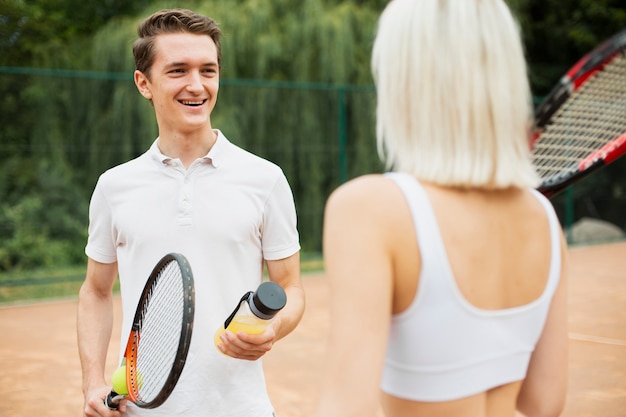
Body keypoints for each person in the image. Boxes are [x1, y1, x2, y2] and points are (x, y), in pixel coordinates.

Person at [314, 1, 568, 417]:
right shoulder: (543, 218)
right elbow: (544, 402)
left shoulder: (370, 209)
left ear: (403, 76)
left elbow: (346, 407)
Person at [77, 8, 304, 417]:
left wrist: (273, 328)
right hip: (137, 410)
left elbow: (291, 287)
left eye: (208, 70)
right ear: (144, 83)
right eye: (178, 70)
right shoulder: (114, 187)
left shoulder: (265, 179)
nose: (197, 85)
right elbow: (95, 290)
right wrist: (93, 381)